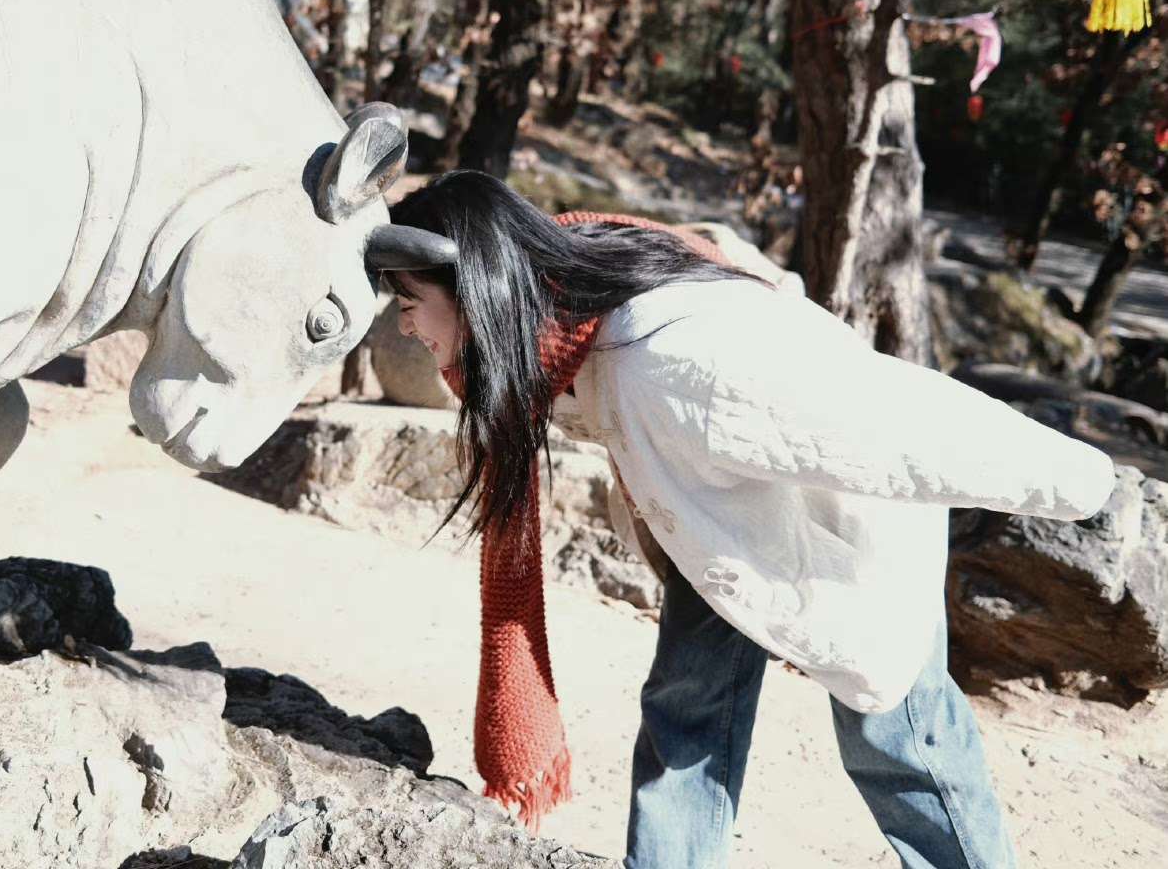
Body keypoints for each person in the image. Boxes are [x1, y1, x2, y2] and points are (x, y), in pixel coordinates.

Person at [385, 170, 1116, 869]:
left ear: (477, 286)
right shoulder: (549, 314)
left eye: (410, 299)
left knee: (899, 739)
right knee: (686, 714)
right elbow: (719, 251)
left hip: (850, 529)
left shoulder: (677, 359)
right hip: (720, 530)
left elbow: (894, 420)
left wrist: (1086, 484)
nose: (405, 322)